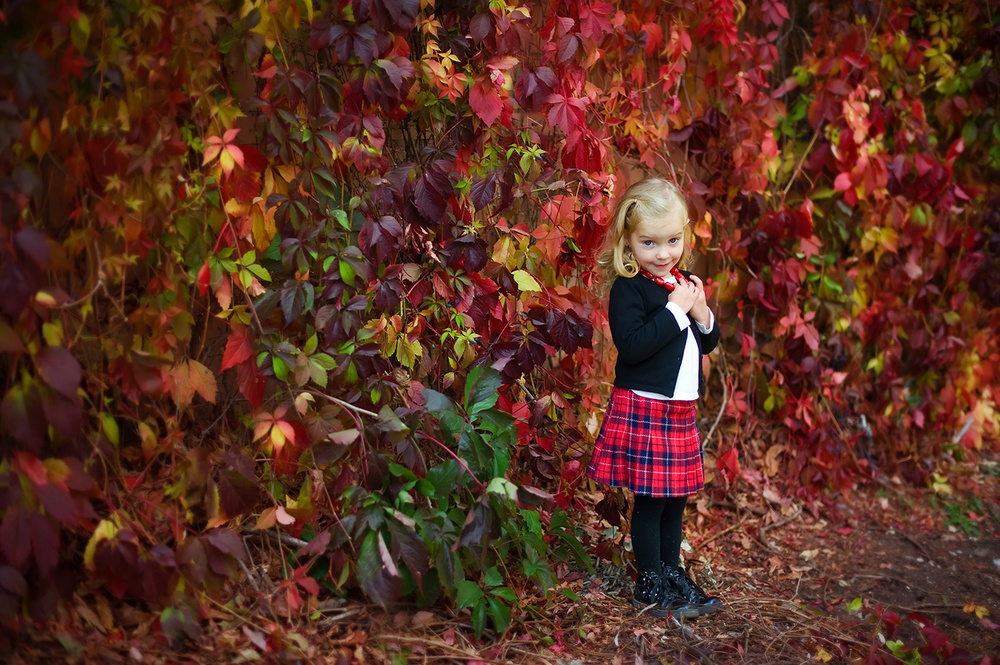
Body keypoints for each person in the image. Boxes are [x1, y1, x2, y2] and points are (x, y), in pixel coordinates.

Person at [587, 177, 722, 619]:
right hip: (646, 405)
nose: (663, 253)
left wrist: (701, 314)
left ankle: (671, 571)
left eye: (673, 240)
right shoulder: (631, 288)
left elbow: (708, 342)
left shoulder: (681, 283)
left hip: (679, 407)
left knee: (676, 497)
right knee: (651, 500)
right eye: (649, 242)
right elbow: (634, 344)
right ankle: (649, 583)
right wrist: (676, 310)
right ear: (628, 242)